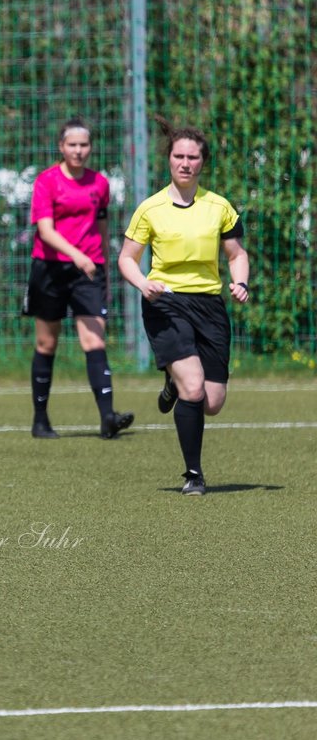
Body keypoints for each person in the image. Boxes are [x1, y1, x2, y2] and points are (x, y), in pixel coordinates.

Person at [118, 117, 250, 495]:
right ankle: (193, 475)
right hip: (166, 302)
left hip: (209, 305)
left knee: (212, 403)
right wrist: (144, 283)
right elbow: (127, 258)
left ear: (202, 162)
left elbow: (236, 254)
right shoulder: (150, 208)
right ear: (169, 159)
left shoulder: (220, 207)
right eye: (179, 156)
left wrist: (240, 282)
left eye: (193, 157)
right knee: (193, 389)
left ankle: (171, 382)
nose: (185, 163)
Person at [23, 119, 134, 440]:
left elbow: (101, 227)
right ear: (61, 147)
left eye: (84, 145)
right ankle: (40, 420)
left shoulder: (100, 184)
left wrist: (105, 271)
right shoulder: (46, 181)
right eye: (72, 145)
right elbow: (45, 231)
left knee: (94, 341)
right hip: (50, 269)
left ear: (90, 147)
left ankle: (107, 418)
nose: (78, 150)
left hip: (88, 271)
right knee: (47, 343)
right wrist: (77, 255)